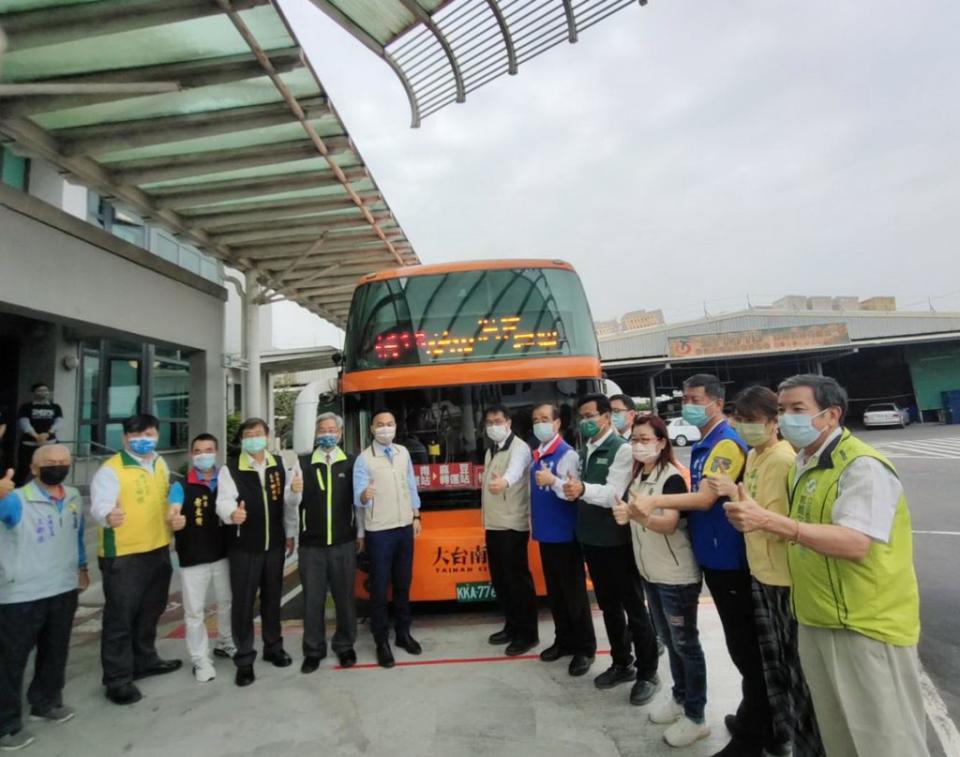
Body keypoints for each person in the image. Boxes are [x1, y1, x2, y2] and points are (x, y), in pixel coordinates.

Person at [724, 375, 929, 757]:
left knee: (884, 738)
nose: (786, 419)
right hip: (818, 617)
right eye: (782, 410)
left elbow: (855, 542)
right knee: (837, 733)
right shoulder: (805, 462)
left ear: (831, 414)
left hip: (864, 624)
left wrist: (768, 521)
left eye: (797, 410)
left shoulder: (862, 467)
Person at [629, 375, 772, 757]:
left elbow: (706, 500)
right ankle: (751, 718)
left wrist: (656, 502)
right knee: (739, 646)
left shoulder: (726, 442)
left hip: (729, 559)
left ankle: (756, 735)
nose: (688, 405)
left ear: (716, 402)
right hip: (713, 556)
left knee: (746, 650)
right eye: (685, 398)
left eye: (695, 398)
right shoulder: (707, 443)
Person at [706, 386, 824, 757]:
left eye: (753, 421)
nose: (744, 427)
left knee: (791, 671)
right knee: (769, 666)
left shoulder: (782, 460)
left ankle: (773, 737)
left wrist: (743, 507)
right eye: (739, 420)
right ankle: (772, 729)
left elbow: (785, 522)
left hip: (784, 581)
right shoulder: (755, 457)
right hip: (761, 574)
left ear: (774, 423)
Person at [614, 415, 709, 748]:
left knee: (686, 644)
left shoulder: (672, 478)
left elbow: (668, 524)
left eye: (645, 439)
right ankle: (680, 698)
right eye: (634, 440)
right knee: (669, 639)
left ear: (662, 442)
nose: (639, 445)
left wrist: (636, 515)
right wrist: (630, 515)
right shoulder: (641, 474)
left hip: (675, 576)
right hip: (651, 573)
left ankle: (696, 716)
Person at [563, 393, 660, 705]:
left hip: (617, 541)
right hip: (592, 540)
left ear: (606, 416)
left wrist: (582, 490)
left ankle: (647, 672)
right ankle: (622, 662)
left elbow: (614, 494)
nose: (586, 421)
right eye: (583, 416)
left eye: (591, 415)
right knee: (608, 607)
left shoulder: (621, 449)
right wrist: (569, 488)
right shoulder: (587, 449)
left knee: (634, 608)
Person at [0, 447, 87, 752]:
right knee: (10, 661)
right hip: (21, 593)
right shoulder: (14, 499)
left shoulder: (74, 496)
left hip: (62, 587)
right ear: (34, 469)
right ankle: (6, 725)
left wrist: (82, 567)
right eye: (49, 464)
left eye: (63, 463)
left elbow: (76, 535)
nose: (57, 467)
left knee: (55, 650)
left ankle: (46, 702)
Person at [90, 414, 181, 705]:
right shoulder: (111, 470)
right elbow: (100, 505)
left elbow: (167, 497)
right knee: (120, 618)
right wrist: (108, 515)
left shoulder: (159, 463)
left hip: (158, 548)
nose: (143, 439)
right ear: (125, 438)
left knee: (150, 611)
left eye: (149, 433)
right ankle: (117, 679)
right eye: (136, 434)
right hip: (124, 554)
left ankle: (145, 660)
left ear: (157, 435)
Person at [216, 418, 298, 687]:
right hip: (244, 547)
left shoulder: (277, 464)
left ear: (267, 436)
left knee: (273, 599)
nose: (254, 438)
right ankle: (244, 659)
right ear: (242, 440)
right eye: (249, 435)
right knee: (243, 604)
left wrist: (290, 533)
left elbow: (287, 503)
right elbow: (223, 501)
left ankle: (273, 647)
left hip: (274, 544)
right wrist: (232, 513)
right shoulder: (231, 468)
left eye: (259, 434)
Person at [287, 413, 359, 673]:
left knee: (344, 598)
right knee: (313, 600)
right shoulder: (303, 463)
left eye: (332, 429)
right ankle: (314, 650)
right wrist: (293, 492)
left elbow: (358, 504)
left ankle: (345, 646)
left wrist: (359, 534)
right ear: (316, 434)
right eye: (322, 429)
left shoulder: (351, 462)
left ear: (339, 434)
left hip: (343, 543)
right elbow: (291, 504)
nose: (327, 433)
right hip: (311, 546)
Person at [529, 402, 596, 677]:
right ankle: (564, 640)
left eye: (545, 418)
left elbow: (570, 492)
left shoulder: (566, 454)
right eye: (536, 419)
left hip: (565, 535)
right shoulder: (539, 453)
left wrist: (552, 480)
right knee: (555, 594)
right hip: (547, 534)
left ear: (557, 423)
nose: (540, 423)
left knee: (574, 595)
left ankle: (585, 648)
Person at [353, 410, 423, 669]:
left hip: (405, 527)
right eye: (380, 425)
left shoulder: (402, 453)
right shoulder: (364, 459)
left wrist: (416, 516)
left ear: (396, 426)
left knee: (404, 584)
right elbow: (357, 500)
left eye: (389, 424)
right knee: (380, 588)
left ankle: (403, 634)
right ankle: (381, 640)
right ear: (372, 429)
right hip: (379, 531)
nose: (385, 429)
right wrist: (364, 495)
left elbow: (411, 485)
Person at [167, 433, 235, 683]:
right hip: (193, 558)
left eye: (208, 449)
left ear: (216, 452)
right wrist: (174, 519)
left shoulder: (226, 481)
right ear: (191, 454)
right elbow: (172, 510)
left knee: (226, 603)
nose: (203, 454)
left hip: (223, 555)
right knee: (194, 612)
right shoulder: (181, 486)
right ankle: (200, 659)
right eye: (198, 450)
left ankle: (226, 642)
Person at [481, 405, 538, 656]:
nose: (494, 426)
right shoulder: (490, 450)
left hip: (512, 524)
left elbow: (515, 471)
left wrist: (504, 481)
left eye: (498, 421)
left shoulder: (520, 448)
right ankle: (511, 626)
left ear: (508, 423)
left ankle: (528, 634)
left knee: (517, 581)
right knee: (501, 581)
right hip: (493, 523)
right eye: (489, 422)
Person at [14, 383, 63, 486]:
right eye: (40, 390)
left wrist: (48, 433)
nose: (43, 393)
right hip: (29, 444)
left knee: (50, 468)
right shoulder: (26, 407)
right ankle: (17, 490)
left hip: (50, 443)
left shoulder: (55, 407)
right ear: (34, 392)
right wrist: (36, 436)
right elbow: (24, 423)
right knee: (23, 469)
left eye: (45, 390)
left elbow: (59, 423)